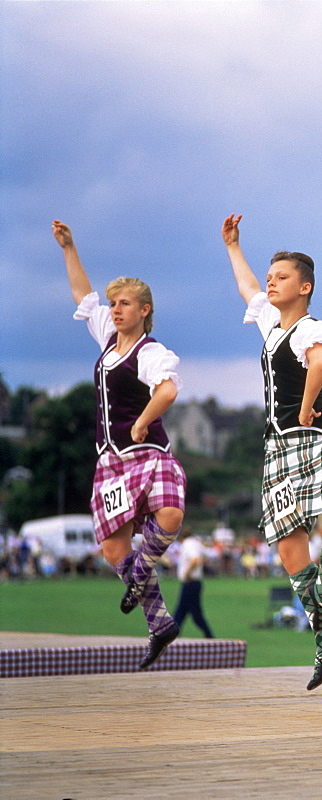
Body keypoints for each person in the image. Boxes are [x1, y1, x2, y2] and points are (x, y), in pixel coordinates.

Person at [221, 213, 322, 691]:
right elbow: (246, 289)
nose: (270, 283)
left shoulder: (308, 328)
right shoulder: (271, 324)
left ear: (304, 287)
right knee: (287, 544)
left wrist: (304, 407)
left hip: (315, 435)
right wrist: (233, 247)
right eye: (270, 276)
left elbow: (320, 361)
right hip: (277, 445)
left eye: (281, 277)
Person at [53, 220, 186, 669]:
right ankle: (160, 623)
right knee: (113, 549)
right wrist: (70, 248)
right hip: (109, 462)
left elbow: (167, 391)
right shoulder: (107, 340)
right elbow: (81, 297)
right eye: (114, 304)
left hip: (146, 452)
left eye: (124, 303)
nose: (115, 309)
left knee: (169, 511)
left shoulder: (150, 352)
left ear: (145, 310)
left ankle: (141, 574)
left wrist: (144, 422)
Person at [172, 528, 215, 638]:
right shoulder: (196, 543)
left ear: (182, 538)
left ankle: (209, 635)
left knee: (194, 613)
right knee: (181, 611)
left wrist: (187, 573)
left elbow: (195, 559)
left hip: (190, 582)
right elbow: (206, 555)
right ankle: (173, 634)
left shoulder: (188, 544)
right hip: (193, 583)